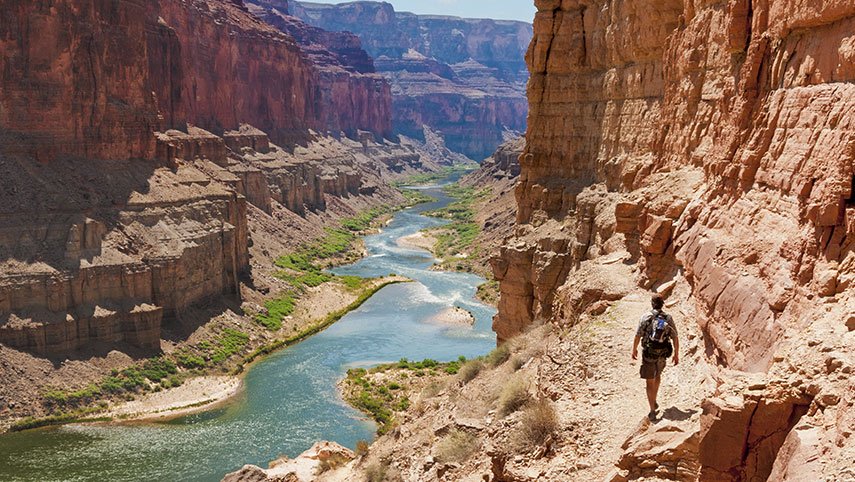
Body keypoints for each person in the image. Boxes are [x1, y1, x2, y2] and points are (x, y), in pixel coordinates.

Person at [631, 294, 679, 421]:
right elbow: (675, 336)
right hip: (662, 353)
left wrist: (634, 349)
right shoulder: (668, 318)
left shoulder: (646, 317)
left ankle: (652, 410)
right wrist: (676, 354)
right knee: (657, 375)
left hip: (649, 353)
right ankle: (654, 399)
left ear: (652, 303)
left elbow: (638, 335)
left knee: (649, 380)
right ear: (663, 304)